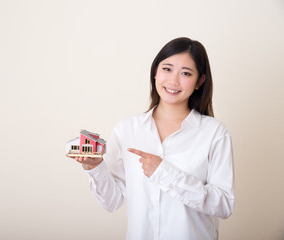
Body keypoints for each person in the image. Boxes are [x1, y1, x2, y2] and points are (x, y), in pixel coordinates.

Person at [68, 37, 234, 240]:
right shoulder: (127, 129)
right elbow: (112, 202)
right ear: (155, 72)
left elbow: (224, 205)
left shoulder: (214, 132)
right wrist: (94, 167)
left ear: (200, 81)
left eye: (186, 73)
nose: (173, 81)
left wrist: (164, 173)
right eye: (167, 69)